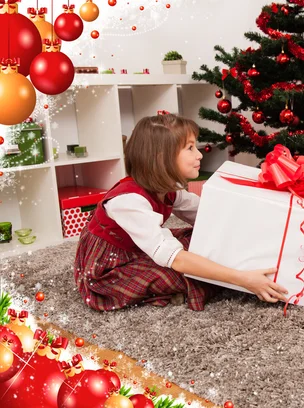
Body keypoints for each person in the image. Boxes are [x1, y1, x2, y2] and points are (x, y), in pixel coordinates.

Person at [74, 114, 288, 311]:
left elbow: (206, 214)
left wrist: (257, 225)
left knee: (202, 242)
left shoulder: (168, 188)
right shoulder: (128, 201)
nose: (199, 155)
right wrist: (241, 278)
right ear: (160, 158)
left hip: (140, 245)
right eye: (190, 148)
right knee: (185, 272)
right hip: (111, 264)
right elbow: (176, 259)